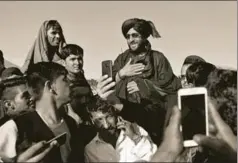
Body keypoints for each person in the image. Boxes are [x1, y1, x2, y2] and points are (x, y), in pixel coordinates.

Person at [111, 18, 181, 145]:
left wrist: (144, 87)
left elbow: (172, 89)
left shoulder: (158, 58)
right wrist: (121, 74)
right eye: (127, 36)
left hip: (156, 122)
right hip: (128, 122)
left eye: (135, 35)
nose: (130, 39)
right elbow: (109, 87)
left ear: (144, 36)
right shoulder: (121, 60)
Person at [0, 62, 83, 163]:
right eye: (65, 79)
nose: (71, 83)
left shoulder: (71, 123)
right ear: (50, 87)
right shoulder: (15, 127)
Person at [84, 96, 157, 162]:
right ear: (92, 120)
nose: (106, 125)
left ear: (115, 113)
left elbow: (155, 159)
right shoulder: (90, 150)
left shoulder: (137, 130)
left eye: (109, 116)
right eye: (99, 119)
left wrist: (135, 138)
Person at [59, 44, 94, 125]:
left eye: (80, 59)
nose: (77, 63)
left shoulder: (81, 78)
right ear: (64, 62)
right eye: (72, 59)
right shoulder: (61, 82)